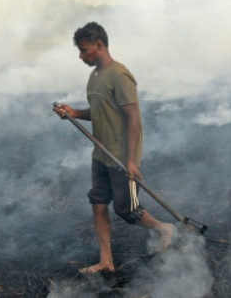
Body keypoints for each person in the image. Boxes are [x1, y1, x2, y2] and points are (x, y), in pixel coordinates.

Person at [53, 22, 174, 275]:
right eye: (79, 51)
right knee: (98, 203)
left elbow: (133, 120)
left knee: (126, 209)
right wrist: (74, 112)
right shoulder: (94, 76)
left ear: (99, 45)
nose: (81, 56)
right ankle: (106, 261)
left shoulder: (120, 75)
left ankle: (163, 228)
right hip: (101, 153)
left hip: (120, 156)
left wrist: (131, 161)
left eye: (84, 50)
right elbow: (100, 113)